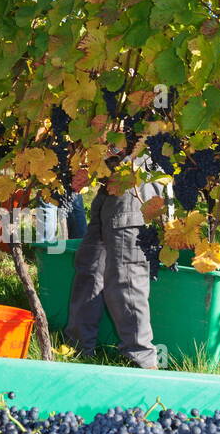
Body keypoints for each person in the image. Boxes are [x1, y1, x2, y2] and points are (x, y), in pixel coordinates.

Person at [65, 157, 161, 370]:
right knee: (90, 266)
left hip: (135, 179)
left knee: (126, 275)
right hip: (110, 176)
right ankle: (78, 351)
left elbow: (135, 134)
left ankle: (142, 363)